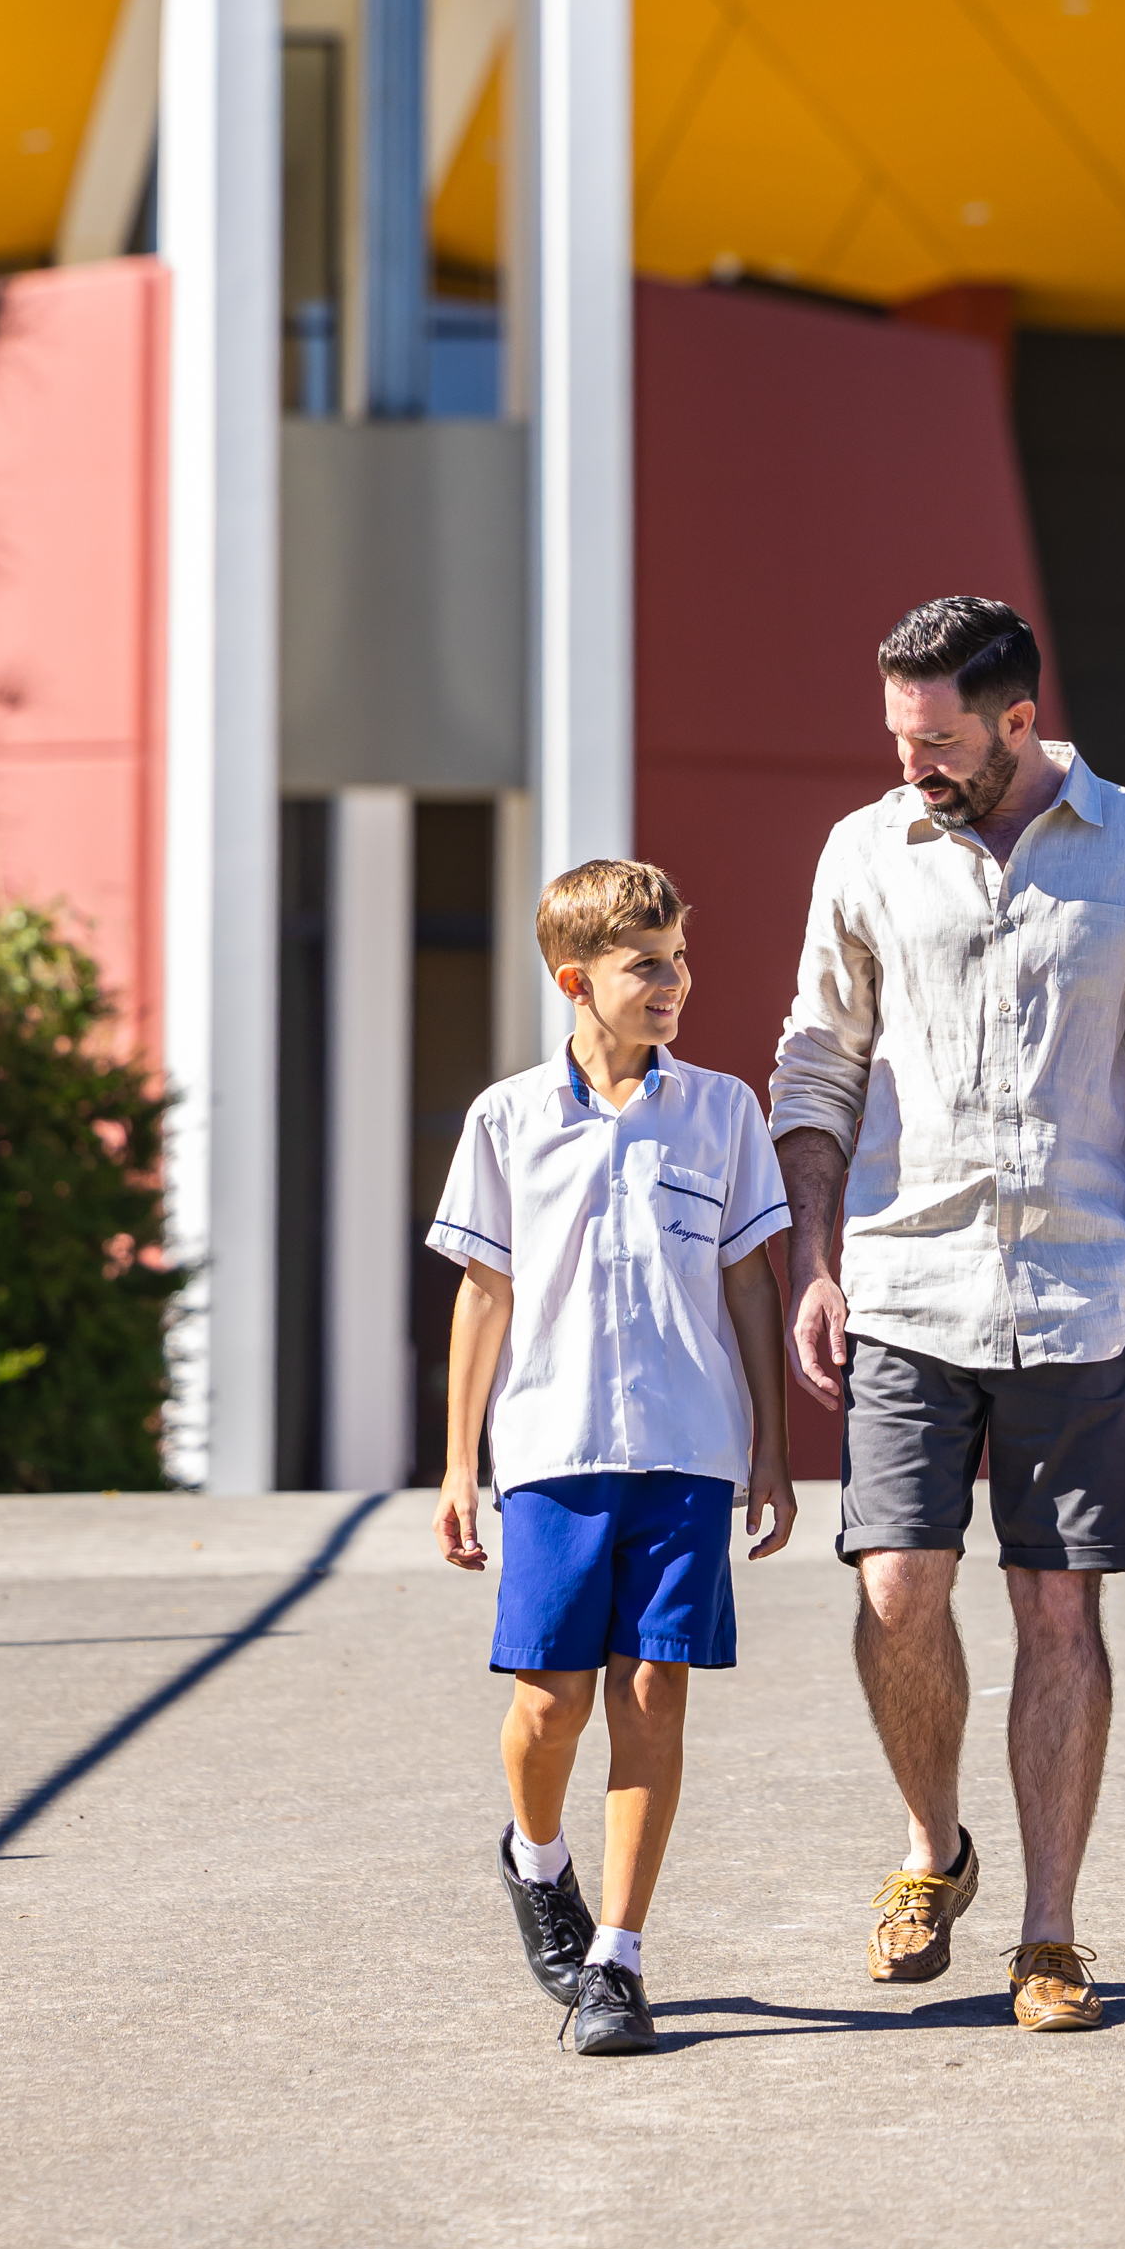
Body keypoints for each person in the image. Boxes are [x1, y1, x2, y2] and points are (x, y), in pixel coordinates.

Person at [773, 595, 1125, 2032]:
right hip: (904, 1280)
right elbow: (819, 1065)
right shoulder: (863, 850)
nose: (913, 767)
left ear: (1020, 721)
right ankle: (932, 1850)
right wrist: (816, 1260)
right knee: (897, 1587)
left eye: (941, 743)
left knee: (1058, 1606)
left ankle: (1050, 1932)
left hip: (1080, 1291)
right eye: (898, 738)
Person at [429, 857, 796, 2056]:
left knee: (652, 1692)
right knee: (552, 1705)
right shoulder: (507, 1119)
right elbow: (485, 1295)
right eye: (648, 965)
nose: (675, 982)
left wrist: (772, 1448)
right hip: (552, 1449)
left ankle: (618, 1958)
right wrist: (458, 1467)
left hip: (688, 1449)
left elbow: (750, 1285)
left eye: (680, 959)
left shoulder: (724, 1112)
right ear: (575, 980)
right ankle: (538, 1860)